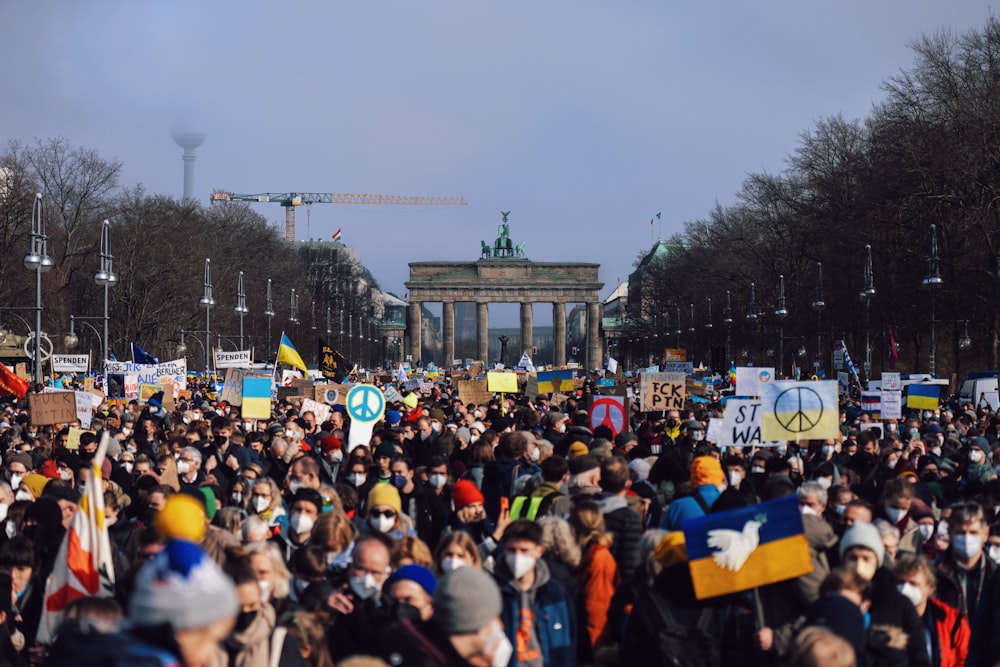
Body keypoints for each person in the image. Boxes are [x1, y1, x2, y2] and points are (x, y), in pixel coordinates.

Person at [492, 519, 576, 667]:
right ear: (504, 549)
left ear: (538, 551)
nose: (517, 557)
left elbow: (572, 635)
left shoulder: (555, 592)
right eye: (512, 550)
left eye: (524, 551)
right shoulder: (493, 590)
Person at [325, 533, 394, 662]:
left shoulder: (390, 604)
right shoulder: (328, 592)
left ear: (386, 572)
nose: (367, 578)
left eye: (375, 572)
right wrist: (324, 611)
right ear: (351, 566)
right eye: (361, 569)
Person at [894, 554, 970, 667]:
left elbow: (965, 658)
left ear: (929, 588)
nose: (905, 589)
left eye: (913, 584)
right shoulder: (882, 615)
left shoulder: (951, 621)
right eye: (901, 583)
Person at [569, 500, 618, 658]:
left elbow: (597, 607)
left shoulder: (598, 558)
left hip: (593, 643)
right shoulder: (589, 554)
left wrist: (590, 649)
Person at [660, 455, 724, 531]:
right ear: (720, 475)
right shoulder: (731, 505)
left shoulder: (677, 507)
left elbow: (663, 538)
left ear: (693, 475)